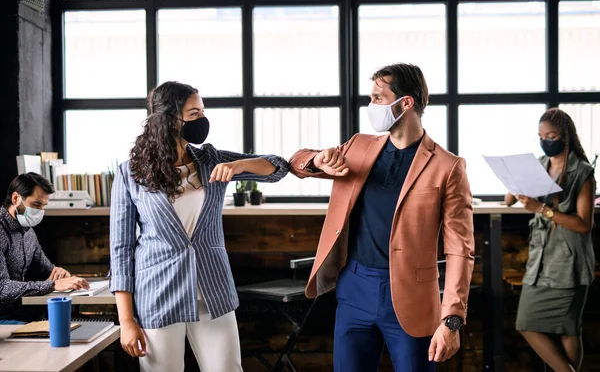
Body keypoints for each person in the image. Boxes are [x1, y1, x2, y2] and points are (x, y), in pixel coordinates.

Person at [288, 63, 475, 371]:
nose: (371, 105)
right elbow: (296, 163)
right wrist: (317, 160)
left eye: (377, 97)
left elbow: (460, 250)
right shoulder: (359, 146)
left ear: (406, 103)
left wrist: (452, 320)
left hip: (412, 298)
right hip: (354, 290)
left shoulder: (448, 167)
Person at [109, 81, 289, 372]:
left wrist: (240, 166)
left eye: (202, 111)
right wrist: (127, 321)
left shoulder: (211, 159)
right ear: (169, 119)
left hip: (213, 290)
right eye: (194, 113)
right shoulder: (131, 173)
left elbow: (277, 167)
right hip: (158, 293)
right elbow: (120, 251)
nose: (202, 120)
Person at [506, 108, 595, 372]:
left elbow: (583, 224)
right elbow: (509, 200)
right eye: (541, 136)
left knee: (565, 328)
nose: (546, 141)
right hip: (541, 262)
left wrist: (542, 209)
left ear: (565, 136)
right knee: (532, 324)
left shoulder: (583, 173)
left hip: (569, 262)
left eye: (551, 135)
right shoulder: (540, 165)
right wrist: (514, 177)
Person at [0, 173, 89, 324]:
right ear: (16, 199)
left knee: (77, 326)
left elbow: (48, 269)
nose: (40, 211)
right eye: (36, 205)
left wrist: (61, 275)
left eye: (43, 206)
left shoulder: (28, 231)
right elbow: (2, 287)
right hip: (3, 318)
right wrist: (53, 284)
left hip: (19, 312)